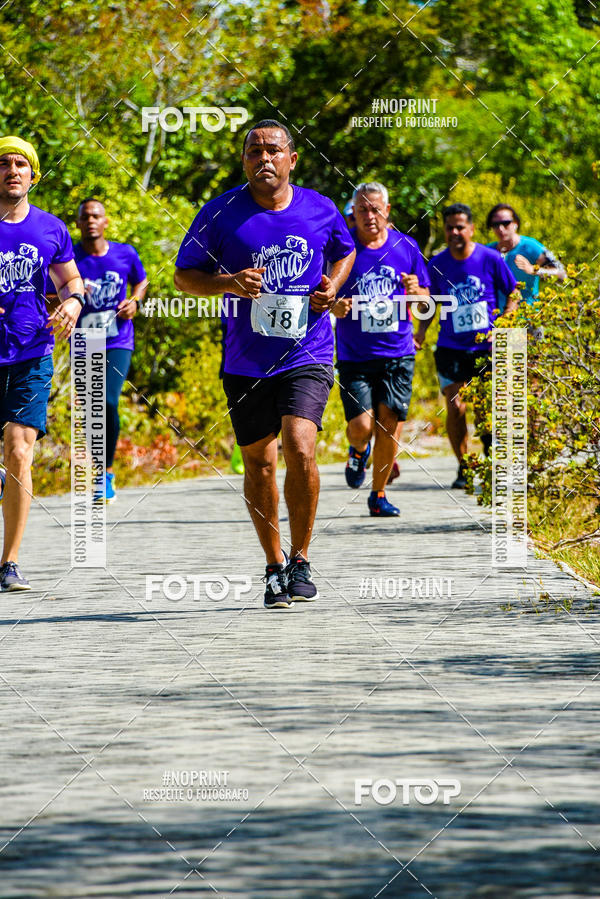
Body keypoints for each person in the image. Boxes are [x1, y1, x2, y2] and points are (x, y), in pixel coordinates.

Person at [174, 119, 355, 609]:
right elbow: (184, 277)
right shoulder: (219, 213)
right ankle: (273, 565)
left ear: (292, 160)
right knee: (259, 461)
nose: (264, 159)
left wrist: (333, 285)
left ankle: (301, 560)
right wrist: (228, 282)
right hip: (245, 359)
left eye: (273, 150)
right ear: (244, 161)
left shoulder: (320, 208)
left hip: (308, 350)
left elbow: (345, 249)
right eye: (254, 151)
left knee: (299, 445)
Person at [0, 136, 85, 590]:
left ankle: (9, 562)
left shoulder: (50, 228)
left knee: (19, 448)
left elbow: (72, 281)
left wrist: (71, 304)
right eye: (4, 163)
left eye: (21, 164)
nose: (13, 171)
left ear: (33, 175)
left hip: (31, 352)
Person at [333, 182, 430, 516]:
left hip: (397, 352)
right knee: (362, 425)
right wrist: (334, 305)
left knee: (389, 425)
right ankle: (358, 449)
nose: (370, 216)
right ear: (353, 213)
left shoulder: (407, 246)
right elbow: (322, 292)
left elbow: (425, 302)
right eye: (363, 210)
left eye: (375, 209)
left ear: (387, 211)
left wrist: (416, 291)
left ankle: (378, 493)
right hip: (354, 353)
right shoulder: (342, 247)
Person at [416, 204, 519, 488]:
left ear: (471, 229)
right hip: (450, 346)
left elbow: (514, 293)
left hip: (484, 347)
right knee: (456, 406)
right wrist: (421, 332)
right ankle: (464, 467)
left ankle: (489, 453)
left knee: (486, 408)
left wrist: (504, 323)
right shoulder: (436, 263)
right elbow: (429, 304)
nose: (455, 232)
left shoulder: (490, 258)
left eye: (460, 226)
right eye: (450, 227)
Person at [74, 198, 148, 502]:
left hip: (118, 340)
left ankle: (105, 472)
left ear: (106, 222)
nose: (91, 220)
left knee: (107, 401)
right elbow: (52, 291)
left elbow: (141, 282)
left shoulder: (124, 253)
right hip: (83, 341)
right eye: (85, 217)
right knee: (90, 409)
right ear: (77, 223)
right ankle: (99, 472)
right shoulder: (71, 258)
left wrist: (135, 302)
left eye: (96, 216)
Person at [486, 203, 565, 311]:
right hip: (500, 321)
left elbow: (562, 275)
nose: (500, 228)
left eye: (506, 223)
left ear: (515, 223)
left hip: (528, 319)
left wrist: (534, 270)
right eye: (495, 224)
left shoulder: (530, 246)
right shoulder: (488, 251)